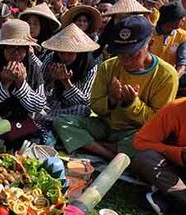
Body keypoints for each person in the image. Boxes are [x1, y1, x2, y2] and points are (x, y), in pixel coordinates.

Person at [54, 16, 178, 160]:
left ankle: (92, 145)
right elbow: (95, 105)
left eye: (132, 54)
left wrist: (132, 104)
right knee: (62, 121)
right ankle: (110, 153)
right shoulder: (108, 66)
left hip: (135, 131)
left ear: (150, 44)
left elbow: (158, 123)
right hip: (107, 125)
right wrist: (111, 100)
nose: (126, 60)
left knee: (149, 141)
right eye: (121, 54)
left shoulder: (167, 75)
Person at [0, 19, 46, 145]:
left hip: (25, 126)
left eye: (21, 49)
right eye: (11, 48)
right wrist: (4, 85)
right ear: (3, 48)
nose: (16, 53)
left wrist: (21, 84)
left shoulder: (34, 69)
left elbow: (39, 105)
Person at [38, 24, 99, 144]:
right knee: (37, 109)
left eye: (70, 53)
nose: (65, 57)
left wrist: (66, 82)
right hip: (52, 104)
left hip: (73, 108)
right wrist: (51, 79)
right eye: (62, 53)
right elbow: (39, 89)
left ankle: (51, 123)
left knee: (83, 110)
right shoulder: (51, 58)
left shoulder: (89, 65)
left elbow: (85, 100)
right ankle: (51, 124)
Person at [133, 99, 186, 215]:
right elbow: (140, 142)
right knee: (145, 158)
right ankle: (171, 198)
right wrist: (178, 153)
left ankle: (167, 198)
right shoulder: (175, 109)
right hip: (172, 169)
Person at [150, 1, 186, 79]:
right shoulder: (149, 34)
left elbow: (182, 63)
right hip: (149, 77)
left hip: (168, 77)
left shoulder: (182, 36)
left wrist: (174, 79)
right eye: (181, 17)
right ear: (171, 20)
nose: (184, 19)